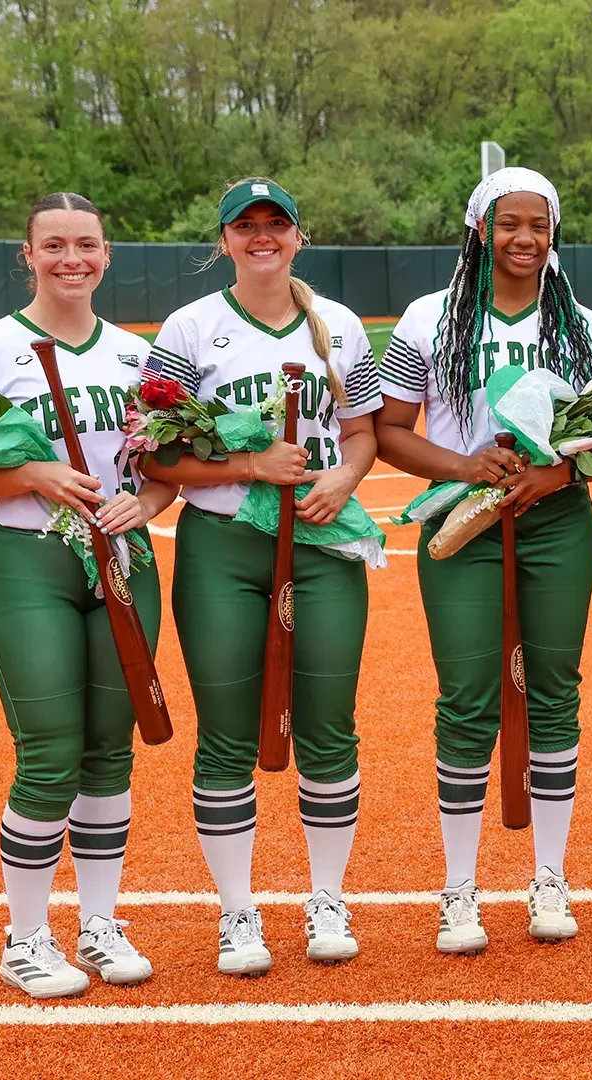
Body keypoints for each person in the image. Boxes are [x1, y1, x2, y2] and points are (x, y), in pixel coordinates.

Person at [0, 192, 174, 999]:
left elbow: (164, 470)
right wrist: (31, 473)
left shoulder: (137, 357)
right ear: (26, 255)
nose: (73, 259)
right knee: (49, 751)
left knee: (109, 749)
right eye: (55, 245)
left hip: (123, 559)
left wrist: (150, 503)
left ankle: (99, 924)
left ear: (107, 255)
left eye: (87, 245)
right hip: (28, 559)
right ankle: (25, 937)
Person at [142, 178, 384, 974]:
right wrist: (250, 465)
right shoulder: (191, 327)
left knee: (330, 725)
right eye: (244, 226)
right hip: (223, 545)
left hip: (321, 541)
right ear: (224, 241)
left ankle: (327, 898)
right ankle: (237, 912)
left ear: (298, 236)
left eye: (275, 223)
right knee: (226, 732)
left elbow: (362, 434)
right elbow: (156, 456)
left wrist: (343, 478)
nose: (261, 237)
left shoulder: (339, 325)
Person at [376, 168, 592, 949]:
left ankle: (549, 877)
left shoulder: (581, 324)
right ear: (480, 229)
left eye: (539, 225)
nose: (525, 238)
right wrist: (465, 466)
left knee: (554, 692)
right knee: (466, 696)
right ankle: (459, 888)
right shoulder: (430, 316)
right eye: (509, 223)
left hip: (556, 520)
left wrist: (555, 476)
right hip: (461, 518)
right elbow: (390, 431)